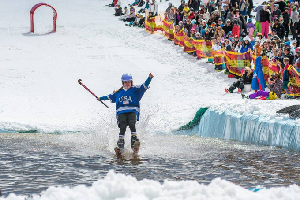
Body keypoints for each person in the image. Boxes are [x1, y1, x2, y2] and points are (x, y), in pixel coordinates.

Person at [97, 73, 154, 153]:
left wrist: (150, 78)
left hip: (132, 110)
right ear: (123, 83)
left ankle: (134, 141)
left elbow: (144, 86)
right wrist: (100, 98)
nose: (127, 84)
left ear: (131, 82)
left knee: (132, 123)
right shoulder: (118, 92)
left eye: (129, 82)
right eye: (125, 82)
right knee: (122, 125)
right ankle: (120, 143)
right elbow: (109, 97)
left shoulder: (135, 89)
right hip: (121, 112)